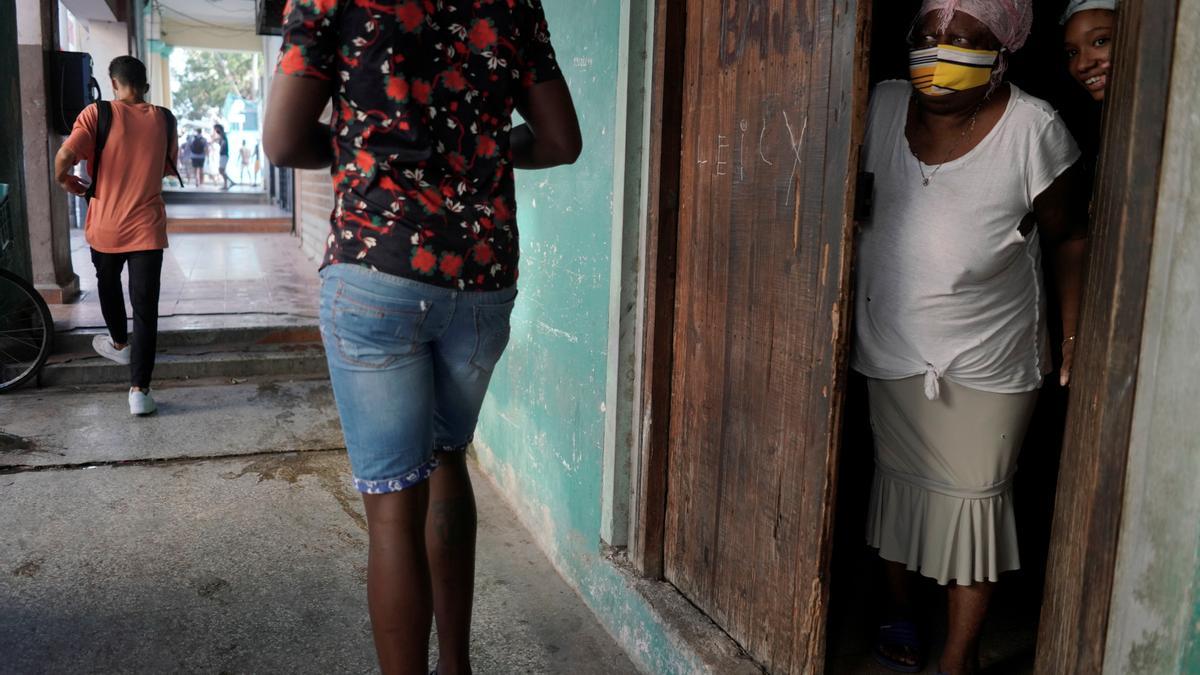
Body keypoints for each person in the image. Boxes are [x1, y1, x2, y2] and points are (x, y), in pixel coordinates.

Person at [265, 2, 580, 674]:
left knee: (390, 511)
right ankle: (456, 667)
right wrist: (484, 155)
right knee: (447, 459)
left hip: (375, 269)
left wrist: (358, 151)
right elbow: (559, 141)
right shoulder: (513, 3)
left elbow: (283, 141)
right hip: (482, 274)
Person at [853, 2, 1089, 673]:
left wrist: (1074, 332)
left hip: (988, 355)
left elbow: (1070, 233)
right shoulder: (879, 105)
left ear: (1002, 50)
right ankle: (901, 613)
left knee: (974, 509)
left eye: (963, 40)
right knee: (897, 485)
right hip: (891, 340)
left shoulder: (1032, 127)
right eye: (927, 36)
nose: (938, 51)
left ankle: (958, 654)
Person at [54, 56, 178, 416]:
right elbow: (167, 169)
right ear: (145, 83)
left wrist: (68, 181)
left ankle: (120, 343)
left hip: (105, 224)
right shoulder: (165, 119)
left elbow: (64, 156)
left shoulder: (97, 113)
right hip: (147, 228)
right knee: (146, 309)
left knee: (107, 284)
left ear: (113, 82)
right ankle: (140, 391)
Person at [214, 123, 234, 190]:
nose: (215, 131)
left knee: (221, 170)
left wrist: (220, 145)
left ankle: (229, 182)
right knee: (222, 170)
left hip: (224, 155)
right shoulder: (222, 136)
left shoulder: (223, 136)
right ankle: (227, 184)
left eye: (216, 129)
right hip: (223, 155)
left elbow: (223, 144)